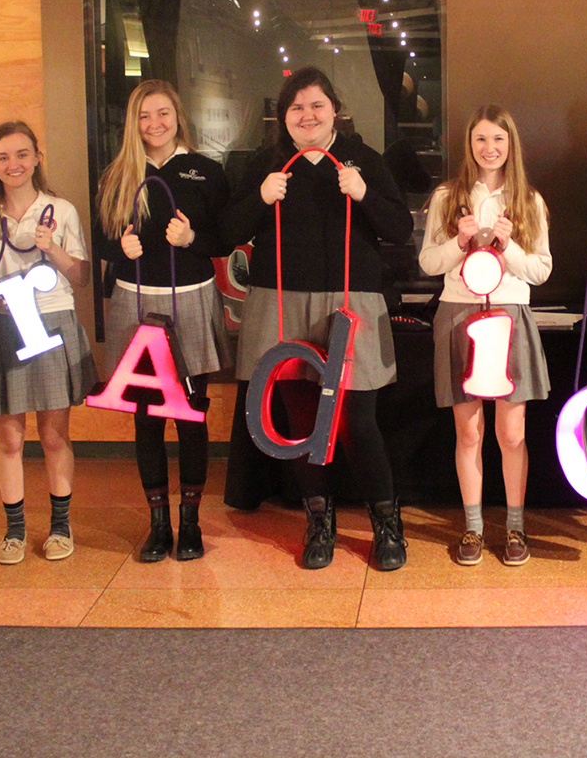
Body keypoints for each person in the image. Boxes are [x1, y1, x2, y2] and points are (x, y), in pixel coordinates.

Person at [225, 67, 414, 571]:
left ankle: (386, 524)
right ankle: (319, 522)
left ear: (335, 109)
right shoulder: (267, 163)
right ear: (282, 116)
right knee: (303, 420)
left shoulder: (364, 159)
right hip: (280, 302)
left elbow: (399, 230)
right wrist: (259, 198)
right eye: (296, 107)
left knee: (357, 421)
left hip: (352, 302)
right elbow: (225, 232)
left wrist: (364, 193)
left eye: (316, 105)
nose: (307, 115)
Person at [95, 79, 231, 563]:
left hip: (192, 301)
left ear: (178, 116)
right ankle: (158, 525)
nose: (154, 124)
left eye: (163, 114)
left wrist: (193, 237)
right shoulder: (116, 175)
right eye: (144, 116)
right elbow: (101, 240)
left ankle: (190, 523)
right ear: (133, 122)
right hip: (134, 307)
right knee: (146, 419)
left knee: (191, 416)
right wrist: (118, 250)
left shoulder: (205, 171)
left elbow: (225, 238)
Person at [420, 105, 552, 567]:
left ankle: (515, 527)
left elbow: (540, 271)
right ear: (469, 145)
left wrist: (509, 243)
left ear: (510, 144)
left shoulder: (529, 200)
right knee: (469, 431)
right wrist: (459, 242)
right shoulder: (447, 197)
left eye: (498, 139)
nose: (489, 148)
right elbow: (427, 264)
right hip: (458, 315)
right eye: (480, 139)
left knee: (511, 433)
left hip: (509, 315)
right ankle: (473, 528)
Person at [0, 121, 96, 565]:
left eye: (21, 154)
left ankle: (60, 527)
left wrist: (53, 249)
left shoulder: (62, 210)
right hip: (3, 328)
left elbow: (80, 277)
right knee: (9, 439)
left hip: (52, 323)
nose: (13, 164)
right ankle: (14, 531)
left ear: (37, 157)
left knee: (54, 435)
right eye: (2, 157)